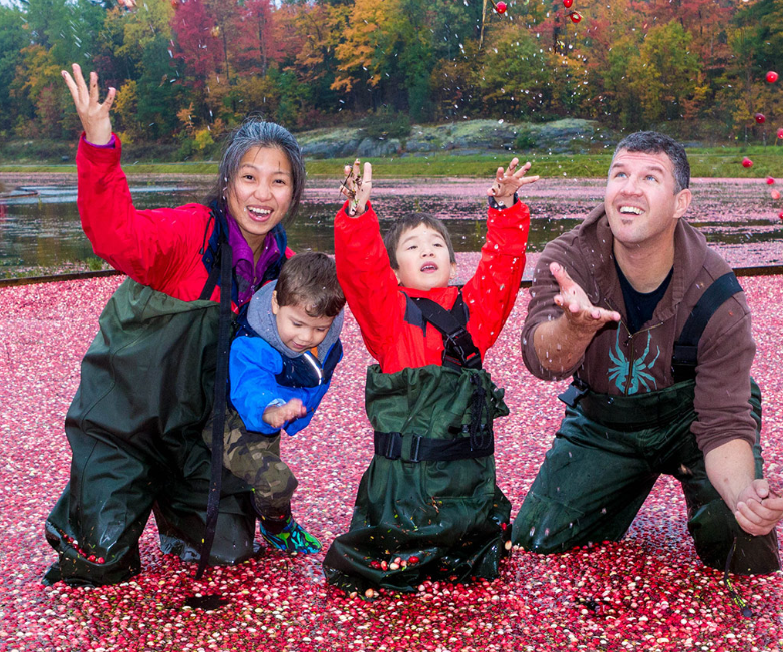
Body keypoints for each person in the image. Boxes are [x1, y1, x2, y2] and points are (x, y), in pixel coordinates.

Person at [43, 64, 305, 586]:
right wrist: (99, 143)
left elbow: (315, 345)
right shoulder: (189, 232)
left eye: (279, 181)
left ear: (293, 193)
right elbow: (114, 236)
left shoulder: (286, 272)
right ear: (228, 182)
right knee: (97, 562)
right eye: (249, 177)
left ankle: (175, 505)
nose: (262, 193)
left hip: (203, 440)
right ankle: (112, 493)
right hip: (125, 422)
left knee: (228, 552)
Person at [512, 132, 783, 578]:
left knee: (742, 543)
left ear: (681, 203)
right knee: (537, 541)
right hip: (606, 424)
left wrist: (742, 497)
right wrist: (574, 328)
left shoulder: (718, 296)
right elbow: (543, 361)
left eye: (649, 177)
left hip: (692, 419)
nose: (629, 188)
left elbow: (723, 422)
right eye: (620, 173)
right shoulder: (567, 260)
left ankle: (722, 502)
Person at [321, 158, 538, 599]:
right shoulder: (387, 317)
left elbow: (502, 270)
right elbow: (361, 275)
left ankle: (461, 539)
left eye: (436, 244)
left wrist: (507, 206)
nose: (427, 251)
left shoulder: (472, 314)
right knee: (389, 560)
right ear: (395, 269)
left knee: (472, 559)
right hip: (401, 492)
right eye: (413, 246)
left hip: (466, 487)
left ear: (454, 265)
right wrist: (358, 217)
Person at [202, 252, 344, 555]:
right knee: (277, 480)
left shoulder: (327, 337)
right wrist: (271, 409)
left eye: (319, 328)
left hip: (277, 417)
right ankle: (276, 526)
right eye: (297, 324)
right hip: (233, 420)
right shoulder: (254, 343)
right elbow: (250, 385)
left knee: (266, 465)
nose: (306, 337)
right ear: (277, 302)